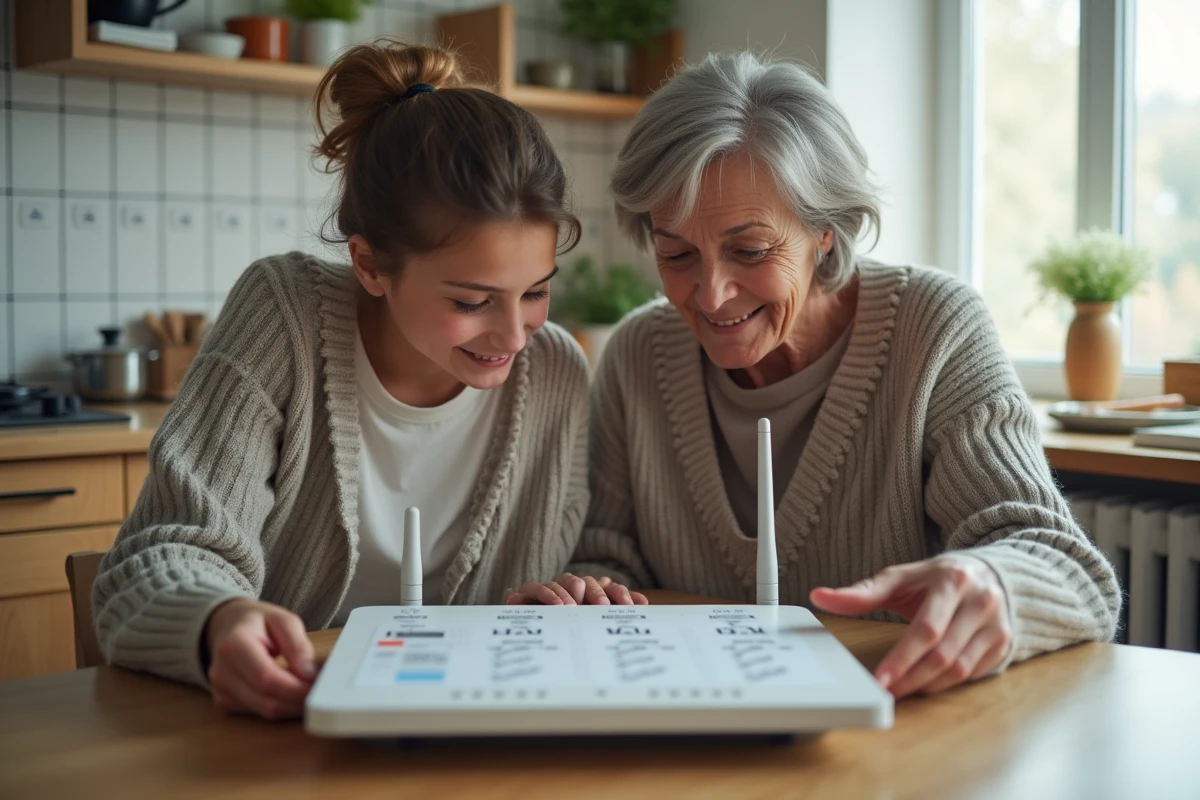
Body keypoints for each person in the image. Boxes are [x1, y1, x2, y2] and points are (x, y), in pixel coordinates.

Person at [510, 51, 1120, 698]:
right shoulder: (638, 354)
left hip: (897, 723)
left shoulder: (934, 330)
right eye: (677, 254)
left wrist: (995, 582)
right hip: (704, 724)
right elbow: (608, 560)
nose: (710, 294)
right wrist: (586, 592)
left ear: (825, 231)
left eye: (750, 250)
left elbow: (1066, 568)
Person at [92, 40, 621, 720]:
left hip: (472, 736)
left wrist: (577, 594)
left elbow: (567, 576)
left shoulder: (555, 370)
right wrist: (216, 621)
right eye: (471, 301)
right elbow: (157, 557)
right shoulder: (284, 318)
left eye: (537, 292)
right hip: (279, 728)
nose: (515, 337)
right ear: (370, 266)